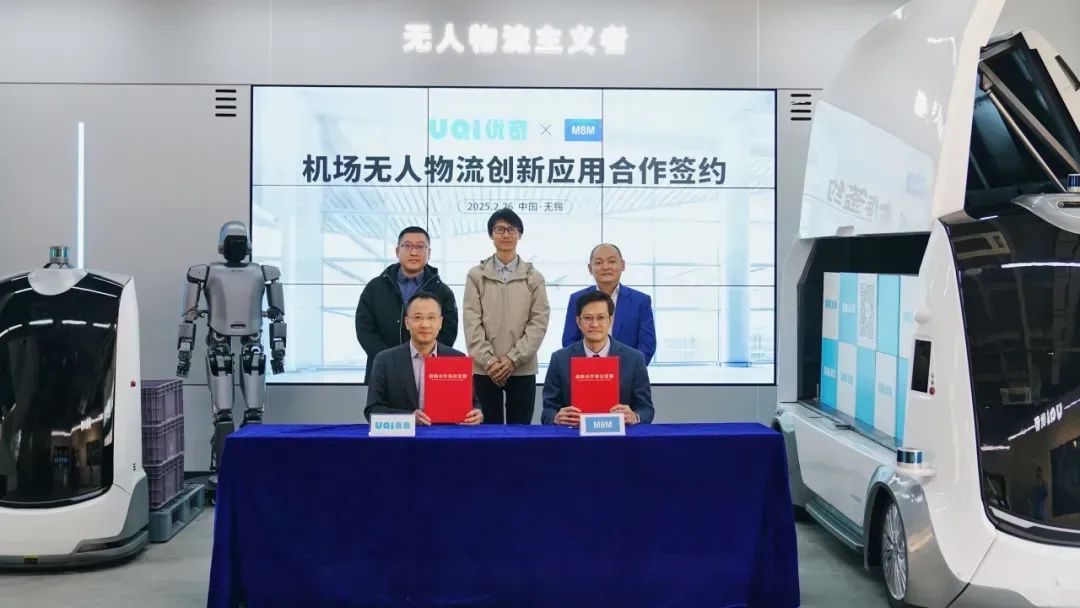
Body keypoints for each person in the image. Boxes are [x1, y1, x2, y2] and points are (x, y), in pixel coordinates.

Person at [463, 209, 550, 424]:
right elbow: (471, 321)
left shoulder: (534, 277)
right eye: (499, 229)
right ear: (491, 234)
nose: (506, 234)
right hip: (485, 369)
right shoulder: (476, 275)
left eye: (511, 229)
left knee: (520, 432)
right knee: (487, 433)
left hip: (522, 368)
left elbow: (539, 321)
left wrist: (514, 358)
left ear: (519, 234)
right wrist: (489, 361)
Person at [355, 226, 457, 384]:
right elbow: (364, 329)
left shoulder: (443, 292)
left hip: (427, 371)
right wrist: (389, 361)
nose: (414, 252)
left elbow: (448, 331)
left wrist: (424, 358)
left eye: (420, 247)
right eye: (408, 246)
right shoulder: (375, 287)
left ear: (429, 253)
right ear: (397, 251)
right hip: (383, 370)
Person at [364, 291, 482, 425]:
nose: (425, 324)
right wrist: (409, 418)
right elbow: (372, 411)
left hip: (444, 435)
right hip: (403, 437)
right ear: (407, 323)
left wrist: (476, 413)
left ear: (440, 322)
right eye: (418, 317)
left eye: (431, 317)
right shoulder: (385, 360)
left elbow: (472, 404)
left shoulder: (457, 359)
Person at [543, 290, 655, 426]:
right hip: (574, 435)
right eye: (588, 318)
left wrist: (635, 417)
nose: (594, 324)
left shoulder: (635, 358)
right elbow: (547, 411)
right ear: (578, 322)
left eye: (601, 317)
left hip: (620, 435)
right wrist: (556, 418)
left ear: (611, 320)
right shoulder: (559, 359)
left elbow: (646, 409)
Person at [561, 243, 656, 364]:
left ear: (623, 265)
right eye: (599, 262)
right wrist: (587, 369)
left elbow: (647, 344)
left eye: (611, 261)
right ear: (590, 268)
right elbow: (569, 341)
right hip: (586, 372)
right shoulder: (577, 299)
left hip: (628, 372)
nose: (605, 267)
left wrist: (629, 370)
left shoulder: (641, 301)